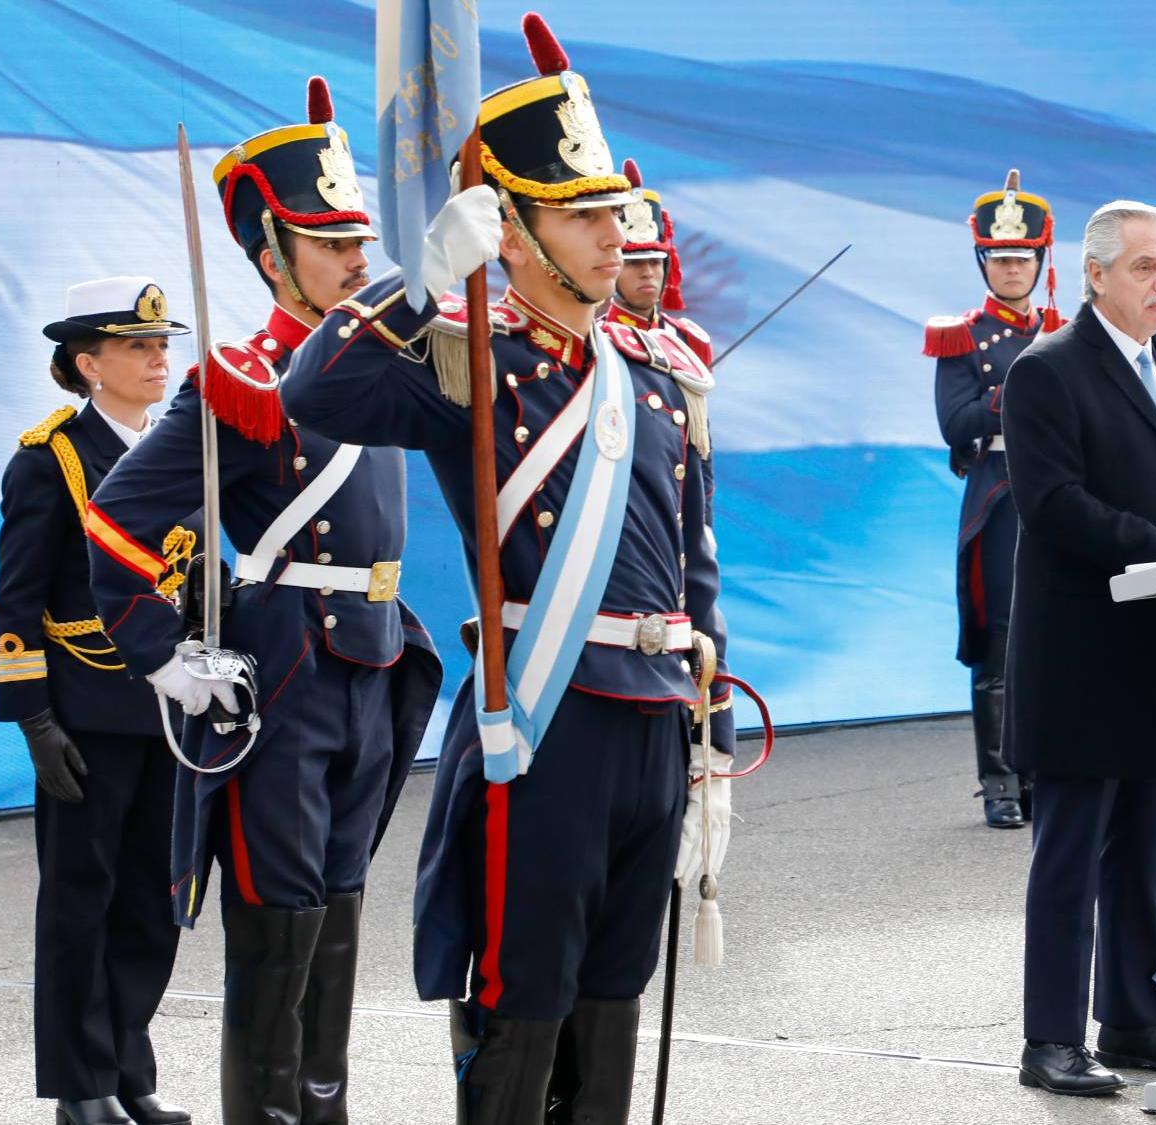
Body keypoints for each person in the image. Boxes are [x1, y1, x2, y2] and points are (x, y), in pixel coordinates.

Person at [278, 14, 736, 1124]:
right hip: (547, 712)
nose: (610, 237)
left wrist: (710, 721)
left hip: (651, 710)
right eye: (581, 219)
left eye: (612, 214)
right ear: (515, 231)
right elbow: (318, 396)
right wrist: (420, 284)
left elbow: (693, 561)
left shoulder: (656, 373)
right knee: (522, 981)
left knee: (617, 980)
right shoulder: (468, 356)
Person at [84, 78, 441, 1124]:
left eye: (357, 241)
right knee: (278, 913)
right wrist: (158, 653)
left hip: (376, 655)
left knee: (338, 906)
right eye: (328, 244)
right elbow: (114, 519)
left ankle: (320, 1111)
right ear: (270, 254)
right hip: (285, 665)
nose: (355, 262)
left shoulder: (383, 367)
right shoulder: (239, 379)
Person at [1002, 199, 1156, 1096]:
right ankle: (1051, 1038)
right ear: (1095, 274)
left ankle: (1134, 1020)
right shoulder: (1047, 372)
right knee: (1071, 856)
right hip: (1083, 655)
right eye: (1145, 266)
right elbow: (1053, 506)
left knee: (1143, 852)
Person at [0, 277, 195, 1125]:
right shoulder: (50, 460)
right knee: (83, 898)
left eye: (161, 344)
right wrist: (34, 719)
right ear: (88, 363)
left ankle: (129, 1069)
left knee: (154, 896)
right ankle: (81, 1085)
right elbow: (15, 600)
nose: (159, 358)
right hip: (86, 709)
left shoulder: (180, 447)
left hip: (169, 706)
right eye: (137, 346)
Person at [927, 169, 1064, 829]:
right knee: (1002, 643)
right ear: (983, 260)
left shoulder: (1071, 330)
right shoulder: (962, 336)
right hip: (1002, 498)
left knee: (1057, 641)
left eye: (1023, 257)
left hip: (1063, 496)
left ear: (1041, 261)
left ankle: (1045, 771)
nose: (1012, 267)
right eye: (1001, 257)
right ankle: (1002, 780)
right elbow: (955, 423)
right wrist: (1021, 387)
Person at [605, 158, 715, 366]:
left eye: (655, 262)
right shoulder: (593, 340)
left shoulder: (690, 340)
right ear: (613, 267)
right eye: (634, 263)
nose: (647, 272)